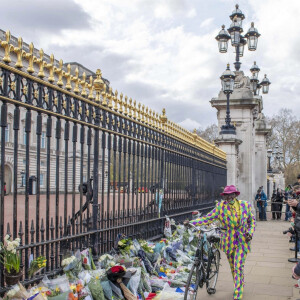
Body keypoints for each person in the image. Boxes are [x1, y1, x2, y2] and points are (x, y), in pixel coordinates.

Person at [189, 185, 255, 300]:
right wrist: (192, 223)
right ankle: (240, 283)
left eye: (231, 194)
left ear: (235, 194)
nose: (229, 197)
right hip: (228, 242)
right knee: (233, 267)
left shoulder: (245, 205)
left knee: (238, 266)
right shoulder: (220, 207)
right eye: (226, 195)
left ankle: (237, 294)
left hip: (242, 241)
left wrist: (250, 232)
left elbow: (251, 221)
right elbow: (207, 218)